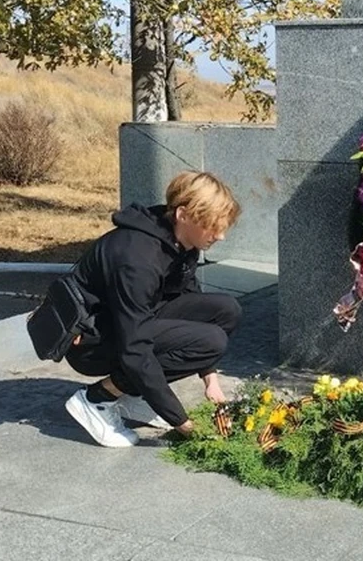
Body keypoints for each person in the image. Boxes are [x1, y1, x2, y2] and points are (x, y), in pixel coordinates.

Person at [62, 171, 242, 448]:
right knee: (211, 341)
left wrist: (211, 379)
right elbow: (135, 348)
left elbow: (189, 296)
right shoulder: (138, 260)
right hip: (91, 342)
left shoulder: (179, 238)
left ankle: (131, 394)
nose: (221, 235)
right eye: (213, 226)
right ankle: (97, 398)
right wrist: (182, 423)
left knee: (226, 310)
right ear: (183, 214)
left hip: (128, 322)